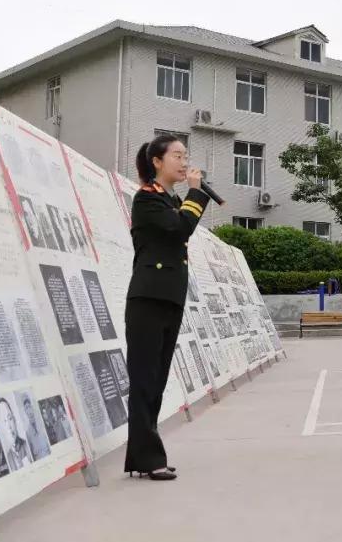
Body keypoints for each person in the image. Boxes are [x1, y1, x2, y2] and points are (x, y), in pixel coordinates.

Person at [125, 133, 210, 481]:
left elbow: (181, 224)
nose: (184, 161)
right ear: (157, 162)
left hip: (169, 298)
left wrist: (191, 195)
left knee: (156, 380)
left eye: (185, 155)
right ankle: (148, 458)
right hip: (147, 300)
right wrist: (196, 193)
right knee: (145, 380)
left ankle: (144, 456)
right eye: (177, 155)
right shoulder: (147, 199)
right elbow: (180, 230)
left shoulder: (171, 200)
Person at [0, 398, 32, 471]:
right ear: (2, 427)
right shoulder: (8, 457)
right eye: (4, 421)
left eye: (10, 418)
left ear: (14, 420)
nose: (9, 426)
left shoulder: (27, 445)